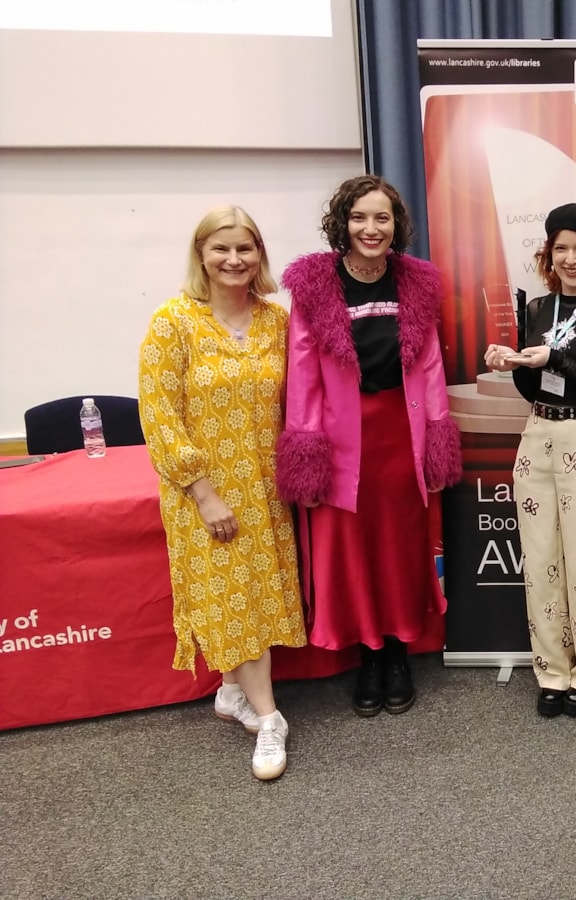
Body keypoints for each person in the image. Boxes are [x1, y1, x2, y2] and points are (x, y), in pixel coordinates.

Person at [275, 175, 462, 717]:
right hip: (338, 442)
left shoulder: (417, 284)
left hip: (399, 438)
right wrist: (306, 455)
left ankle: (399, 652)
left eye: (382, 218)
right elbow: (302, 374)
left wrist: (435, 439)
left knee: (398, 549)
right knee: (351, 556)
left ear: (396, 225)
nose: (370, 228)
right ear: (342, 222)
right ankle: (370, 658)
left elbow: (428, 367)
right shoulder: (315, 285)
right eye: (360, 217)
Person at [138, 206, 305, 781]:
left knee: (255, 592)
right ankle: (270, 718)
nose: (234, 260)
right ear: (201, 255)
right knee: (234, 597)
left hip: (264, 487)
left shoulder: (276, 321)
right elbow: (159, 416)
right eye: (221, 250)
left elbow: (299, 402)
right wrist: (203, 493)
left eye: (246, 249)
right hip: (203, 492)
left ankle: (232, 692)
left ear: (259, 254)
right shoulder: (173, 323)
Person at [484, 203, 576, 719]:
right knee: (542, 562)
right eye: (562, 248)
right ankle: (550, 670)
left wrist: (558, 359)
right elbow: (533, 385)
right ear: (549, 253)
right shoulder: (537, 310)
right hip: (537, 435)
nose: (571, 258)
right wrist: (512, 362)